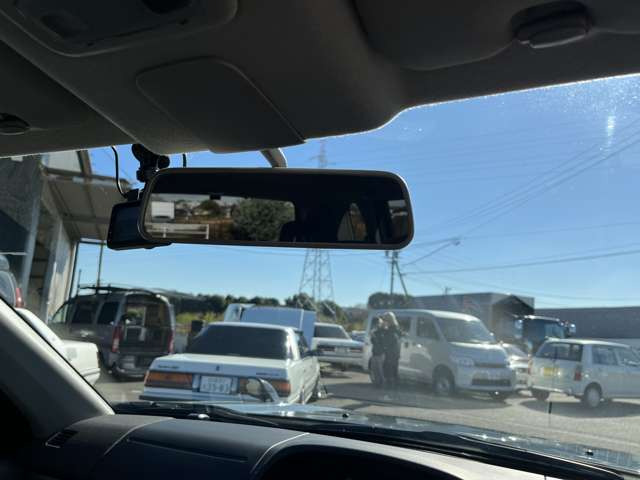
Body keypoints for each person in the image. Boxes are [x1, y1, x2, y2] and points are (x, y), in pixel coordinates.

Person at [380, 311, 401, 390]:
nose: (383, 321)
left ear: (388, 320)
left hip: (390, 354)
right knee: (394, 372)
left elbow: (386, 342)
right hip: (395, 354)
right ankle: (394, 390)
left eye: (384, 320)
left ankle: (390, 390)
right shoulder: (397, 329)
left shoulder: (389, 331)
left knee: (388, 372)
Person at [369, 317, 386, 387]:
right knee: (374, 369)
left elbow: (381, 343)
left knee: (380, 370)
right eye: (375, 323)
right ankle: (376, 383)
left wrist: (374, 337)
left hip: (380, 353)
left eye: (378, 323)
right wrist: (372, 337)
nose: (376, 325)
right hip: (374, 353)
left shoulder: (383, 331)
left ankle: (382, 384)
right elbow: (373, 342)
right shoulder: (375, 331)